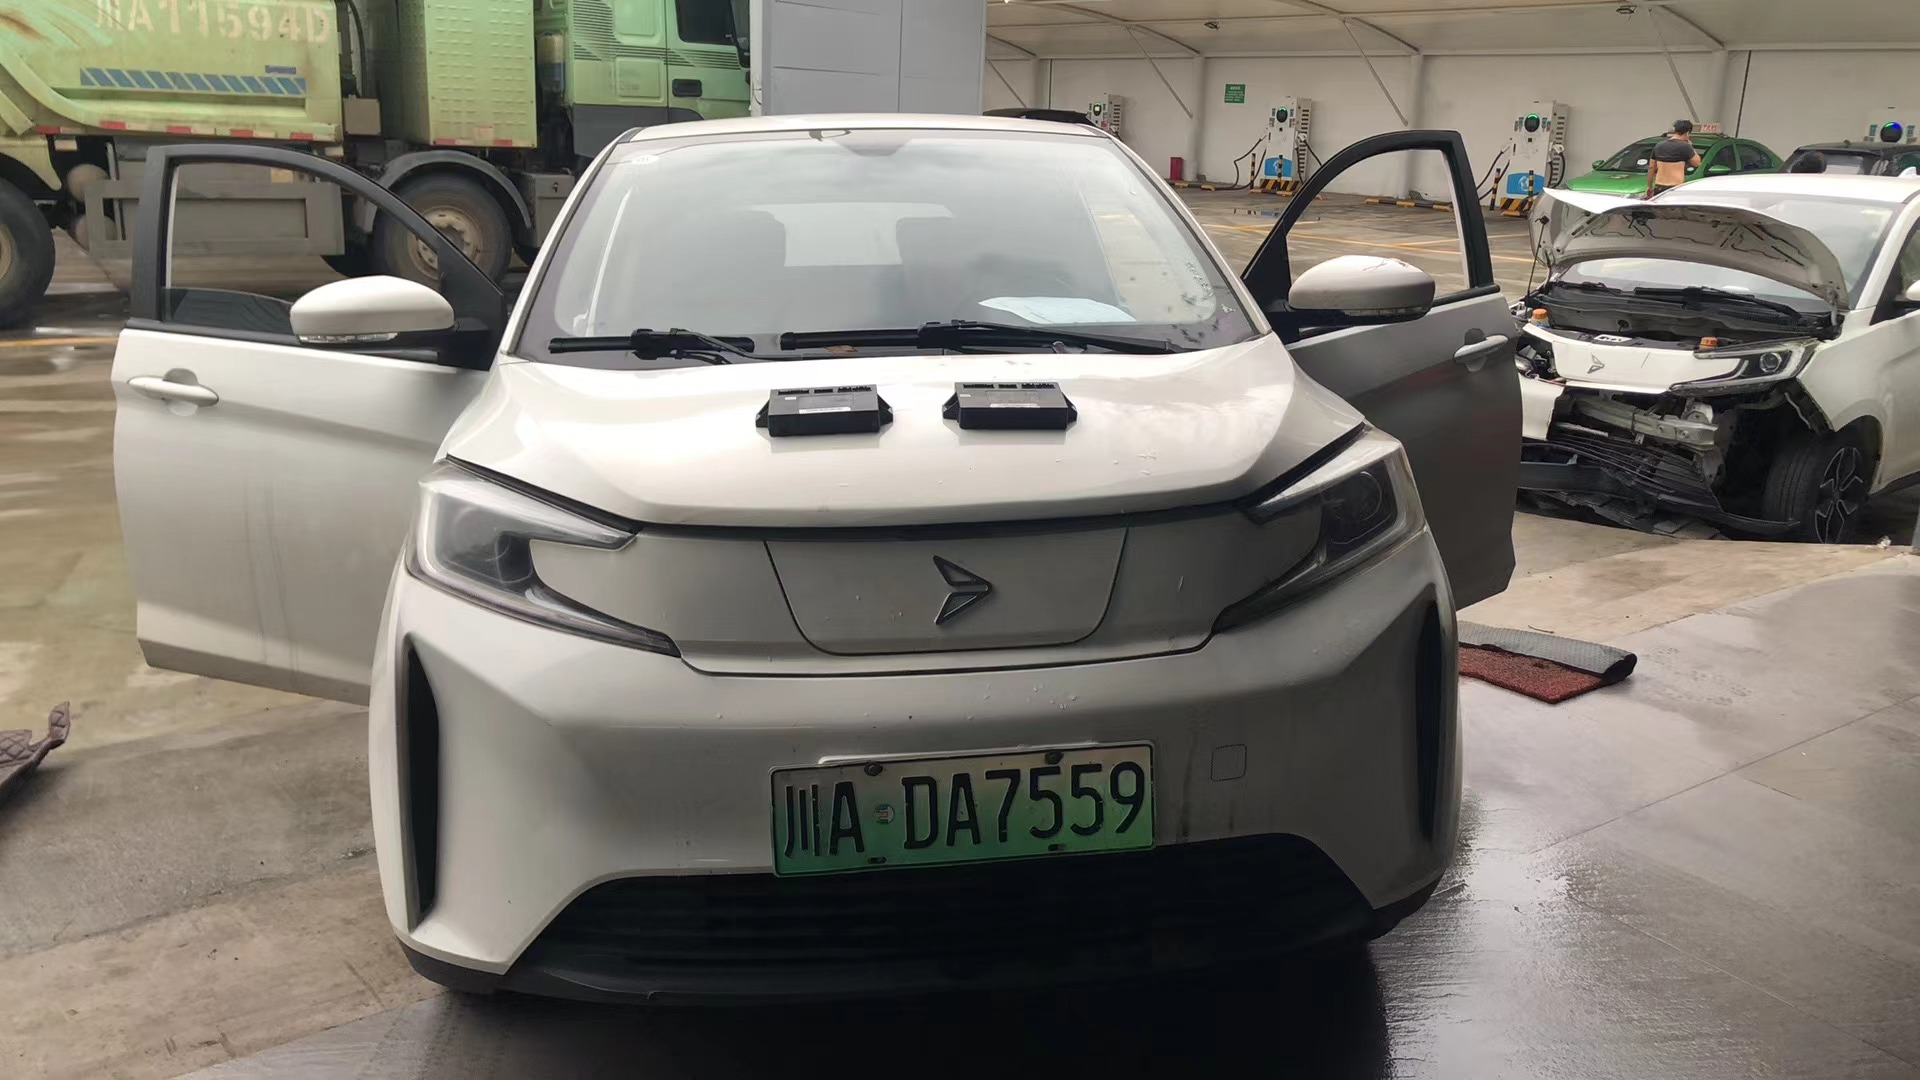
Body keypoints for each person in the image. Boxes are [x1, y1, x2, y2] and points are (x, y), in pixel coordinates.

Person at [1646, 119, 1700, 198]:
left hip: (1659, 186)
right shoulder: (1685, 147)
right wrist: (1690, 146)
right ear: (1687, 133)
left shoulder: (1659, 145)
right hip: (1675, 187)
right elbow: (1697, 163)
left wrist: (1649, 186)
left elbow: (1651, 167)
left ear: (1675, 130)